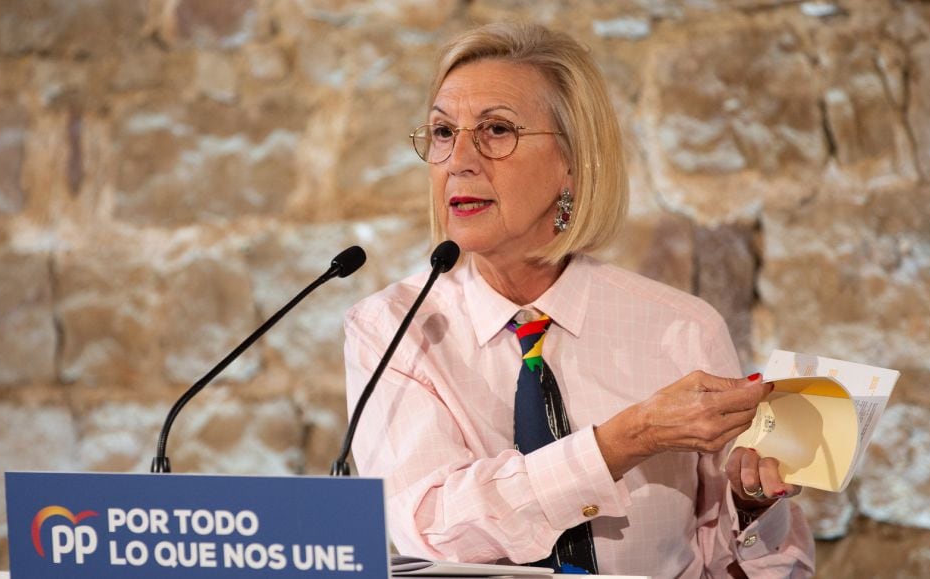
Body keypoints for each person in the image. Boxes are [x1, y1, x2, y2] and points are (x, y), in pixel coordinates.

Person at [343, 22, 814, 577]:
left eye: (496, 129)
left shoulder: (683, 329)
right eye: (443, 132)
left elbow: (754, 563)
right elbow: (430, 529)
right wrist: (625, 440)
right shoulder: (392, 328)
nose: (458, 160)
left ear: (572, 162)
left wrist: (753, 507)